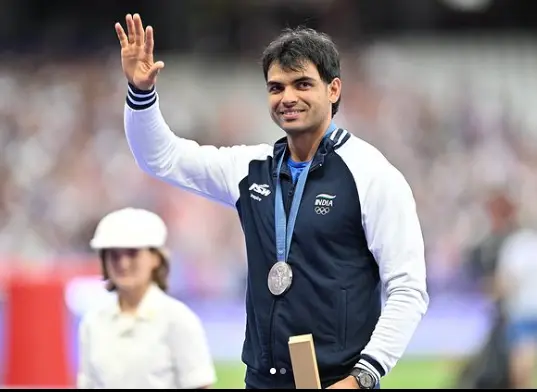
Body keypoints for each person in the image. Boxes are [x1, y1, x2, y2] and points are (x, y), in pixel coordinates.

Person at [115, 13, 429, 389]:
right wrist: (140, 93)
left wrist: (362, 376)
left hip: (339, 382)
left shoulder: (373, 175)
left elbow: (408, 289)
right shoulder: (250, 169)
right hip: (262, 380)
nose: (288, 98)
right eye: (276, 87)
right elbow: (160, 157)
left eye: (302, 84)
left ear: (333, 90)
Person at [76, 207, 217, 389]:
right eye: (114, 255)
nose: (123, 263)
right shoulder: (93, 323)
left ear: (155, 258)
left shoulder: (177, 319)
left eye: (133, 253)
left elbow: (199, 385)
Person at [496, 227, 537, 389]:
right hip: (523, 310)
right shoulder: (518, 244)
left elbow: (506, 281)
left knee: (522, 359)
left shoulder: (516, 245)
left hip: (522, 310)